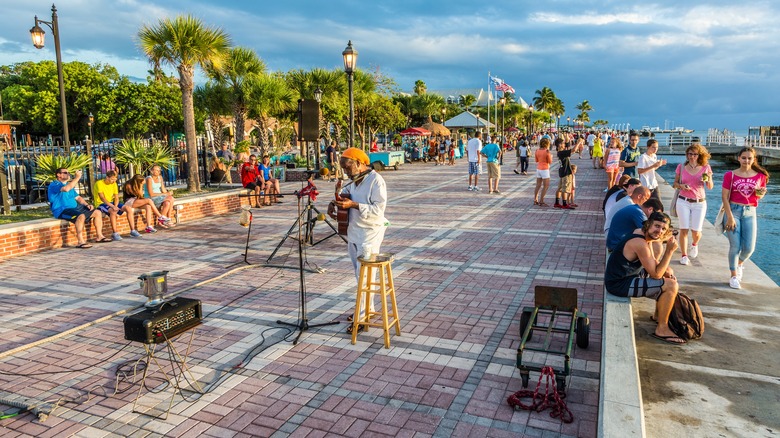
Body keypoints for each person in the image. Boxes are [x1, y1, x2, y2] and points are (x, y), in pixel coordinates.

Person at [327, 147, 388, 334]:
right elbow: (345, 198)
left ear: (359, 164)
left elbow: (379, 210)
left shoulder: (376, 181)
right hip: (353, 232)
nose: (345, 171)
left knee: (364, 277)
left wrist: (353, 204)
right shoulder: (353, 182)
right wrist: (333, 203)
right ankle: (366, 310)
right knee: (359, 275)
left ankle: (361, 317)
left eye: (347, 167)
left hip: (369, 234)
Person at [605, 212, 685, 344]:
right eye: (657, 226)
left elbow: (653, 262)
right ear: (648, 224)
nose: (659, 231)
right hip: (618, 284)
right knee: (671, 286)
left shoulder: (641, 233)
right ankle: (662, 328)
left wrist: (666, 271)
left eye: (663, 229)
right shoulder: (639, 243)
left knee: (668, 272)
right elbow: (656, 274)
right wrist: (669, 251)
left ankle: (658, 316)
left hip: (628, 276)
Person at [720, 147, 770, 289]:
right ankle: (734, 276)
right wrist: (729, 217)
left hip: (750, 211)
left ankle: (740, 264)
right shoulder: (730, 175)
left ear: (754, 159)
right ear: (738, 158)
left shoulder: (760, 176)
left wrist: (761, 193)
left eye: (749, 158)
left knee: (749, 248)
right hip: (733, 210)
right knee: (735, 246)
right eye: (744, 158)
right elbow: (724, 197)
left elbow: (759, 196)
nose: (746, 160)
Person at [673, 143, 714, 265]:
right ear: (687, 155)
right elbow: (675, 183)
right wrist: (681, 186)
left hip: (699, 203)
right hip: (683, 201)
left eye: (695, 154)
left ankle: (694, 244)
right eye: (690, 154)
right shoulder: (681, 167)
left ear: (699, 155)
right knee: (683, 229)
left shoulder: (705, 167)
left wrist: (708, 179)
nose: (692, 156)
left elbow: (710, 187)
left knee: (696, 231)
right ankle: (684, 255)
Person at [48, 168, 105, 248]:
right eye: (65, 172)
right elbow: (66, 189)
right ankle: (80, 241)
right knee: (80, 216)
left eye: (68, 172)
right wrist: (77, 177)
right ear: (58, 175)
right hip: (62, 210)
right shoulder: (54, 184)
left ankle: (100, 236)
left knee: (97, 212)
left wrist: (86, 204)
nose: (68, 174)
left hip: (75, 208)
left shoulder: (69, 185)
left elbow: (78, 198)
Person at [93, 170, 124, 241]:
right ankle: (115, 233)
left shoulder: (114, 184)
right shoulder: (99, 183)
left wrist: (115, 205)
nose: (114, 181)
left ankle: (133, 230)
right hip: (101, 203)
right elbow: (102, 198)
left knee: (127, 208)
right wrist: (113, 207)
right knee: (113, 212)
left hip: (112, 203)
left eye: (115, 179)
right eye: (112, 179)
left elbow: (116, 197)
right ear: (107, 177)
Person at [554, 137, 575, 209]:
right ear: (559, 145)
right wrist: (578, 143)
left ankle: (557, 202)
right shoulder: (562, 152)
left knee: (560, 188)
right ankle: (564, 203)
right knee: (565, 189)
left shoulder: (560, 152)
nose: (564, 145)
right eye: (562, 143)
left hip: (562, 172)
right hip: (566, 172)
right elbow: (573, 150)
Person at [533, 138, 553, 206]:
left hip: (538, 168)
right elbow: (550, 161)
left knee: (538, 185)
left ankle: (535, 199)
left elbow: (536, 160)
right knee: (546, 186)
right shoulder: (547, 151)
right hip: (545, 169)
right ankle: (541, 200)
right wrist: (551, 156)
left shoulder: (537, 150)